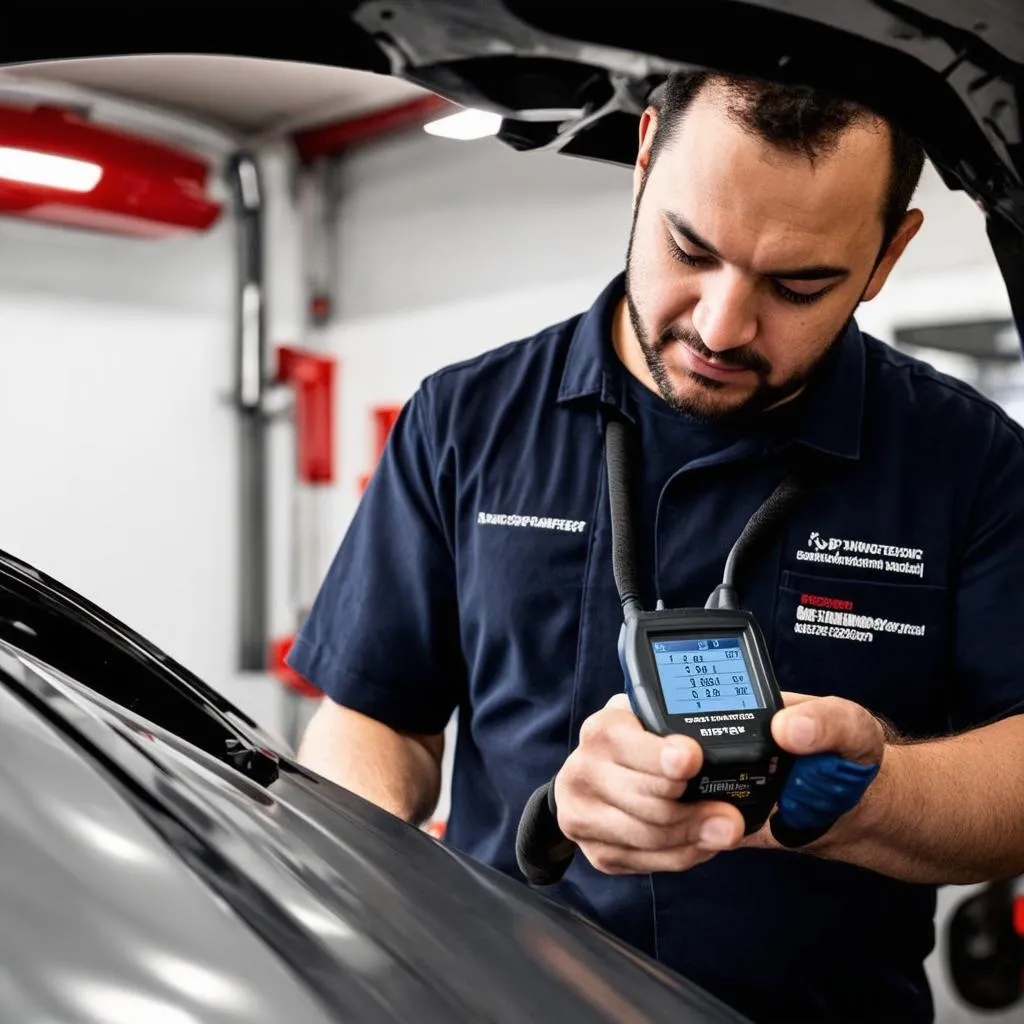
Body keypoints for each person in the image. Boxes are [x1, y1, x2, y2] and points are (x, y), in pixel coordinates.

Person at [288, 70, 1024, 1023]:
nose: (722, 326)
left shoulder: (971, 461)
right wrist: (355, 916)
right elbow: (375, 718)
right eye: (689, 247)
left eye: (799, 284)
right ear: (642, 160)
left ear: (889, 254)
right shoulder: (464, 420)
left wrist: (870, 795)